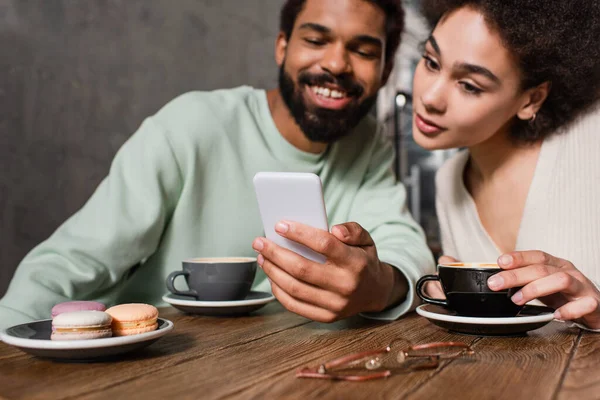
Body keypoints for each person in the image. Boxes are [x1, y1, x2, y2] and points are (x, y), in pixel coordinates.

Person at [0, 0, 435, 330]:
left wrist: (378, 285)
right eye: (316, 40)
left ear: (384, 70)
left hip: (275, 362)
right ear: (282, 47)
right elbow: (74, 259)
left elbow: (404, 243)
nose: (336, 64)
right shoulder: (191, 125)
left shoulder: (368, 145)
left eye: (362, 50)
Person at [413, 0, 600, 329]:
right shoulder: (449, 182)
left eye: (469, 85)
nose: (430, 97)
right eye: (431, 62)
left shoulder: (590, 140)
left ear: (531, 100)